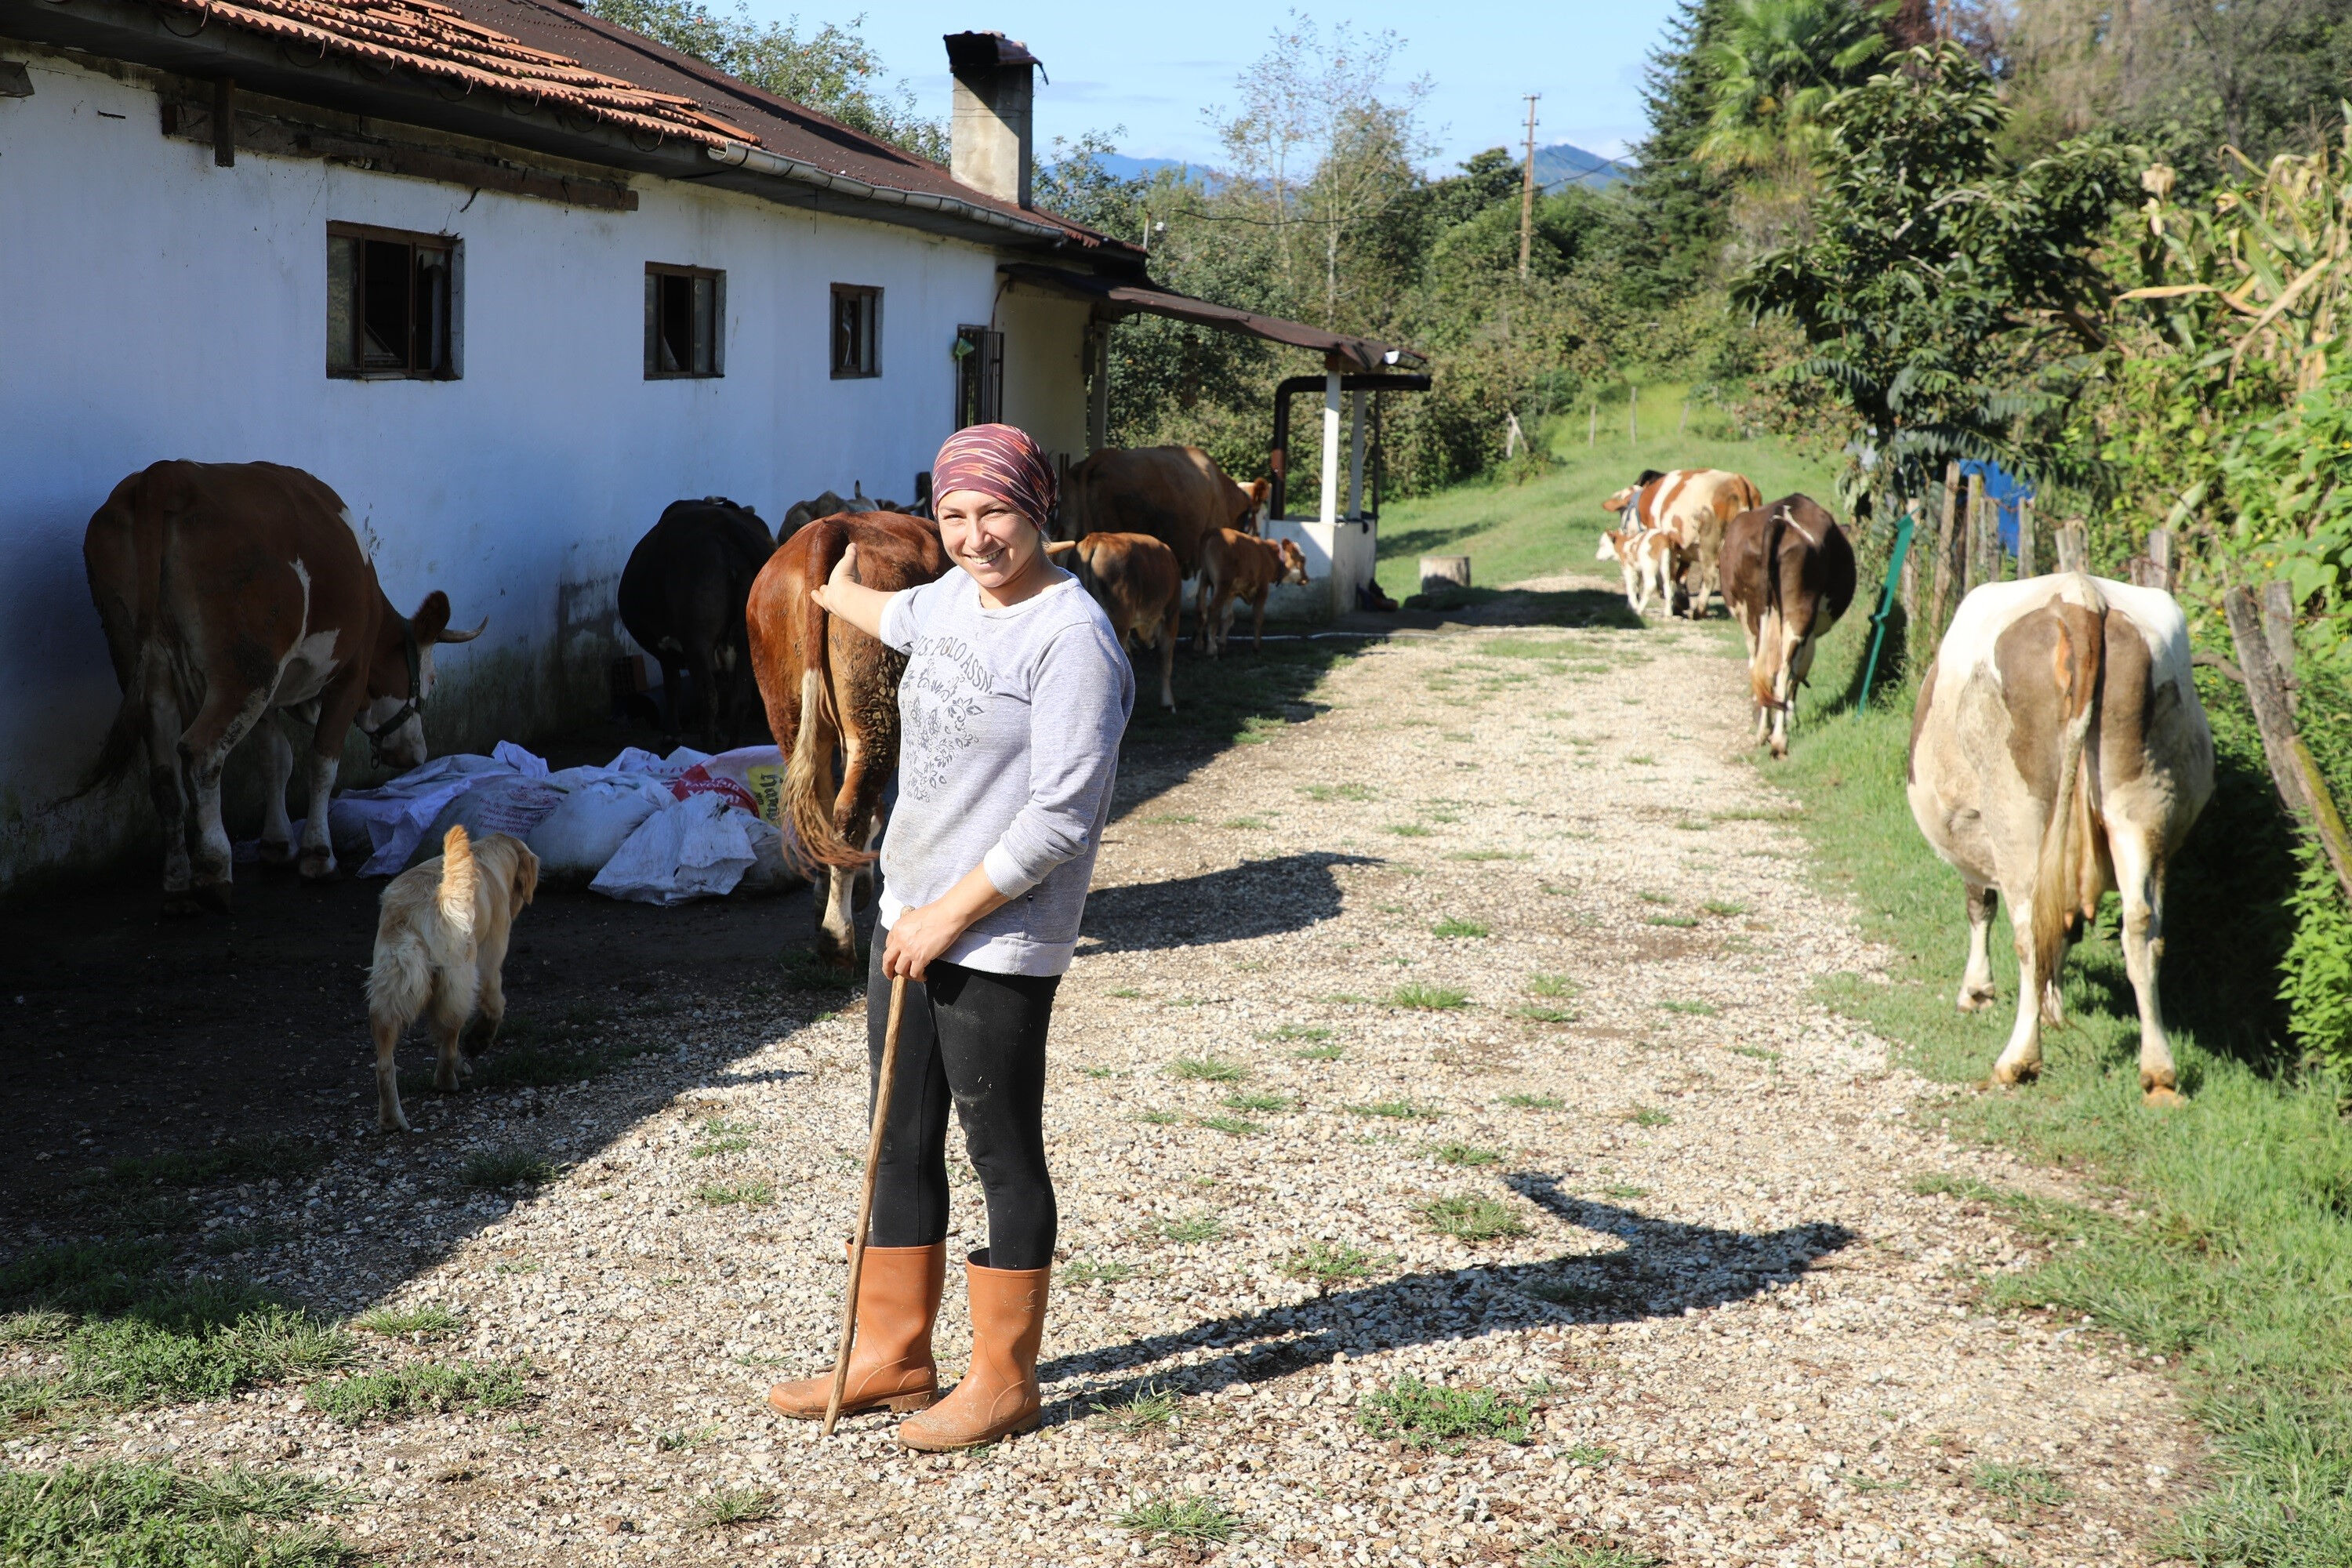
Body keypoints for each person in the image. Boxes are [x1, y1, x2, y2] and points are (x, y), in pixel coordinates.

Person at [764, 424, 1134, 1450]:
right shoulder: (950, 602)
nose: (976, 538)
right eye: (955, 517)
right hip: (909, 920)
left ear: (1039, 510)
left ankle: (1005, 1381)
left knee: (1001, 1152)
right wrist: (823, 578)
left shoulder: (1072, 639)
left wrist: (946, 914)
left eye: (996, 514)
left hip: (993, 939)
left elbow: (1063, 817)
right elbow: (886, 608)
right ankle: (894, 1357)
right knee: (899, 1141)